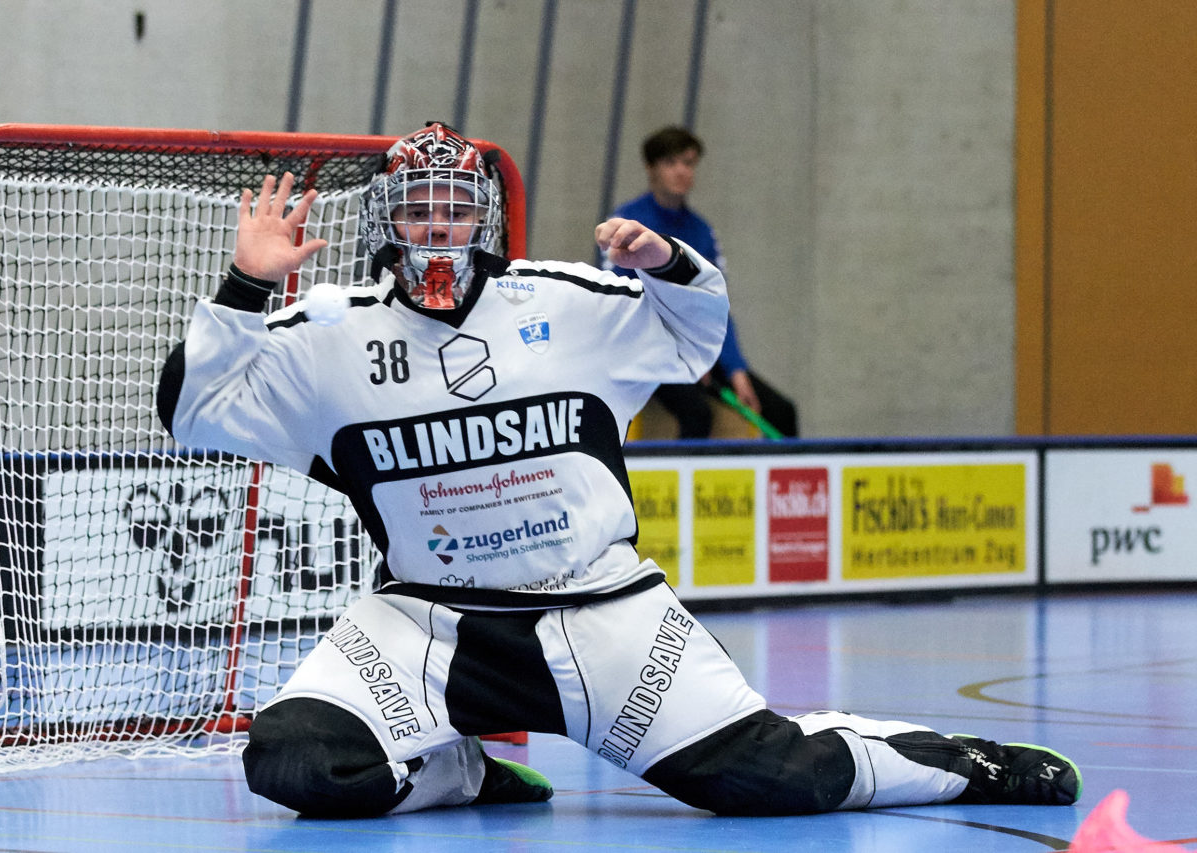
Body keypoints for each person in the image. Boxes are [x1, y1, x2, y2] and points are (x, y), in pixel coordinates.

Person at [157, 122, 1080, 818]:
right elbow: (192, 411)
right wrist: (244, 286)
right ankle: (461, 769)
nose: (437, 225)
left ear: (486, 216)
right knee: (292, 759)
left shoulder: (569, 300)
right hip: (425, 624)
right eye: (416, 207)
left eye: (455, 205)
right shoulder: (329, 333)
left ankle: (969, 763)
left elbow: (694, 339)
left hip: (606, 619)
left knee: (770, 775)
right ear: (385, 220)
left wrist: (670, 262)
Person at [604, 125, 798, 438]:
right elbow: (622, 303)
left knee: (781, 411)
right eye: (671, 163)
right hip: (649, 350)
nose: (682, 171)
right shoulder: (627, 224)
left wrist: (736, 370)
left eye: (689, 163)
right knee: (697, 414)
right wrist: (684, 352)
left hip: (697, 344)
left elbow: (717, 307)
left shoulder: (702, 232)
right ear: (650, 168)